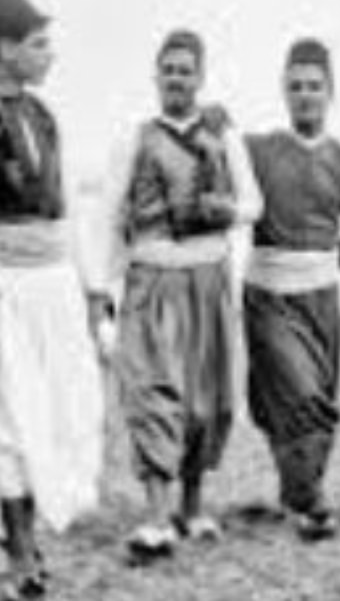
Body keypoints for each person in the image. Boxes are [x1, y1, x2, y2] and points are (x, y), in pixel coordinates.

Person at [0, 0, 107, 598]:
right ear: (4, 48)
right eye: (39, 44)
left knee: (64, 410)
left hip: (55, 288)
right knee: (2, 418)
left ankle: (33, 528)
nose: (50, 55)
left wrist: (91, 290)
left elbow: (68, 208)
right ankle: (19, 550)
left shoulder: (45, 116)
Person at [90, 29, 262, 559]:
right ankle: (156, 518)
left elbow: (254, 203)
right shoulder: (135, 139)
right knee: (152, 395)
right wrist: (100, 290)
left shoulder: (224, 137)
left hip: (207, 277)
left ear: (200, 77)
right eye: (168, 70)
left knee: (205, 401)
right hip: (152, 277)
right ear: (156, 76)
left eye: (186, 71)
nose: (176, 79)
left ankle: (192, 507)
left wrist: (227, 211)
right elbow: (109, 216)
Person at [242, 38, 340, 541]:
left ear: (331, 93)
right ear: (284, 91)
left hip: (321, 298)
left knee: (319, 397)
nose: (305, 95)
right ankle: (312, 502)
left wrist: (321, 265)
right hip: (267, 296)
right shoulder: (257, 151)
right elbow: (216, 157)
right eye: (296, 86)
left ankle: (297, 494)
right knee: (296, 394)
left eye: (315, 86)